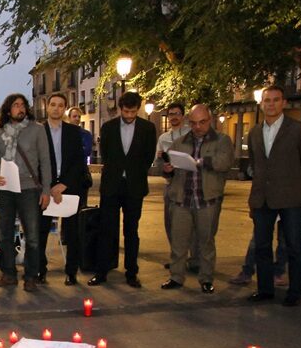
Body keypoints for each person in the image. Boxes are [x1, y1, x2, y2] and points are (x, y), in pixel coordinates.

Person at [246, 85, 301, 306]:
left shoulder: (298, 130)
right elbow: (256, 164)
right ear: (261, 104)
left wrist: (295, 183)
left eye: (276, 100)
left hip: (291, 197)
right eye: (267, 100)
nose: (271, 104)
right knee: (262, 246)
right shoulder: (255, 132)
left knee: (294, 247)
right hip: (263, 198)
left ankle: (294, 293)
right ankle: (265, 289)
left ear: (284, 103)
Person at [160, 104, 233, 293]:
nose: (198, 127)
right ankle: (176, 276)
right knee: (178, 241)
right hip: (182, 199)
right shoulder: (180, 142)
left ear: (210, 120)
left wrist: (199, 162)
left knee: (206, 242)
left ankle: (206, 278)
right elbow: (168, 171)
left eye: (202, 122)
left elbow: (224, 162)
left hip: (207, 200)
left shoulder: (222, 140)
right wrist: (167, 169)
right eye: (193, 123)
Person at [88, 91, 158, 288]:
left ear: (138, 109)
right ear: (120, 109)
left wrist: (134, 173)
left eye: (133, 112)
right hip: (111, 186)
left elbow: (148, 156)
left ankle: (131, 272)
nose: (129, 115)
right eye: (126, 112)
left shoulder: (147, 128)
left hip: (134, 187)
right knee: (106, 230)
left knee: (131, 231)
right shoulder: (109, 127)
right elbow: (106, 154)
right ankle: (101, 271)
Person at [0, 94, 51, 291]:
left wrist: (46, 190)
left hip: (29, 189)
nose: (20, 108)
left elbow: (45, 161)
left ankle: (31, 276)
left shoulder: (37, 130)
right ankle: (8, 274)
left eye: (23, 105)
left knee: (32, 236)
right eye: (16, 105)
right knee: (4, 234)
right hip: (6, 189)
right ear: (8, 110)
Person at [40, 93, 90, 286]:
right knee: (41, 231)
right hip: (46, 188)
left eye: (61, 105)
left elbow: (79, 162)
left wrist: (63, 184)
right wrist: (50, 186)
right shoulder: (39, 131)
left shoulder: (73, 132)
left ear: (65, 109)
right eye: (53, 104)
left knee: (72, 233)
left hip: (70, 187)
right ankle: (40, 270)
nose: (56, 108)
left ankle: (71, 272)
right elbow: (36, 162)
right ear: (47, 107)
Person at [156, 103, 193, 270]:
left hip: (189, 183)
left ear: (183, 116)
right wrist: (163, 165)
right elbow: (158, 162)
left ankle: (193, 258)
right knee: (170, 223)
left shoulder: (190, 135)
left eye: (177, 113)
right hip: (171, 183)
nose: (173, 117)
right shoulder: (163, 138)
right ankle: (176, 257)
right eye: (171, 114)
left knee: (189, 224)